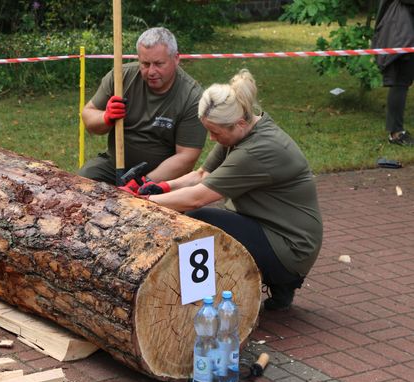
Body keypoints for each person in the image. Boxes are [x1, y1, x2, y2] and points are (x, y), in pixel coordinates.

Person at [139, 69, 323, 311]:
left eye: (215, 132)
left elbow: (197, 198)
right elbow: (202, 174)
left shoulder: (256, 151)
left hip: (291, 247)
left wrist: (146, 201)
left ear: (239, 123)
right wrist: (161, 187)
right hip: (274, 230)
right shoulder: (243, 132)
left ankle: (198, 302)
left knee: (197, 221)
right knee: (204, 219)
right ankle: (277, 284)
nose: (211, 138)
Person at [79, 27, 207, 188]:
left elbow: (186, 158)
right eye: (145, 64)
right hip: (115, 165)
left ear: (176, 58)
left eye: (159, 64)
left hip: (162, 176)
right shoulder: (121, 77)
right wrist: (106, 117)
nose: (151, 71)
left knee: (156, 209)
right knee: (82, 183)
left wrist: (142, 183)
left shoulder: (192, 97)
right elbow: (88, 116)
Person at [372, 0, 414, 146]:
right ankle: (396, 133)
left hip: (405, 28)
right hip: (401, 31)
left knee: (402, 80)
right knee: (400, 81)